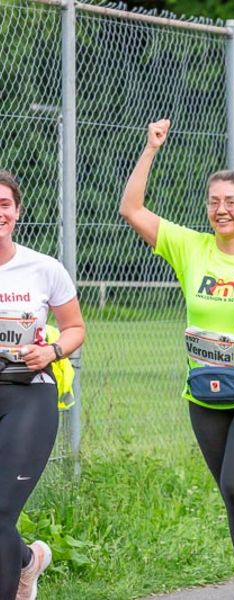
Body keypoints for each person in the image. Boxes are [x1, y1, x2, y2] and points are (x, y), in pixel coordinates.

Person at [119, 121, 234, 600]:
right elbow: (131, 209)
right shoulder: (191, 247)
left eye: (231, 201)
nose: (221, 209)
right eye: (214, 202)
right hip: (204, 389)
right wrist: (150, 149)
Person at [0, 170, 85, 600]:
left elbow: (74, 328)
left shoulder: (43, 268)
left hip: (28, 393)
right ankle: (26, 562)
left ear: (17, 211)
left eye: (4, 205)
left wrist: (52, 351)